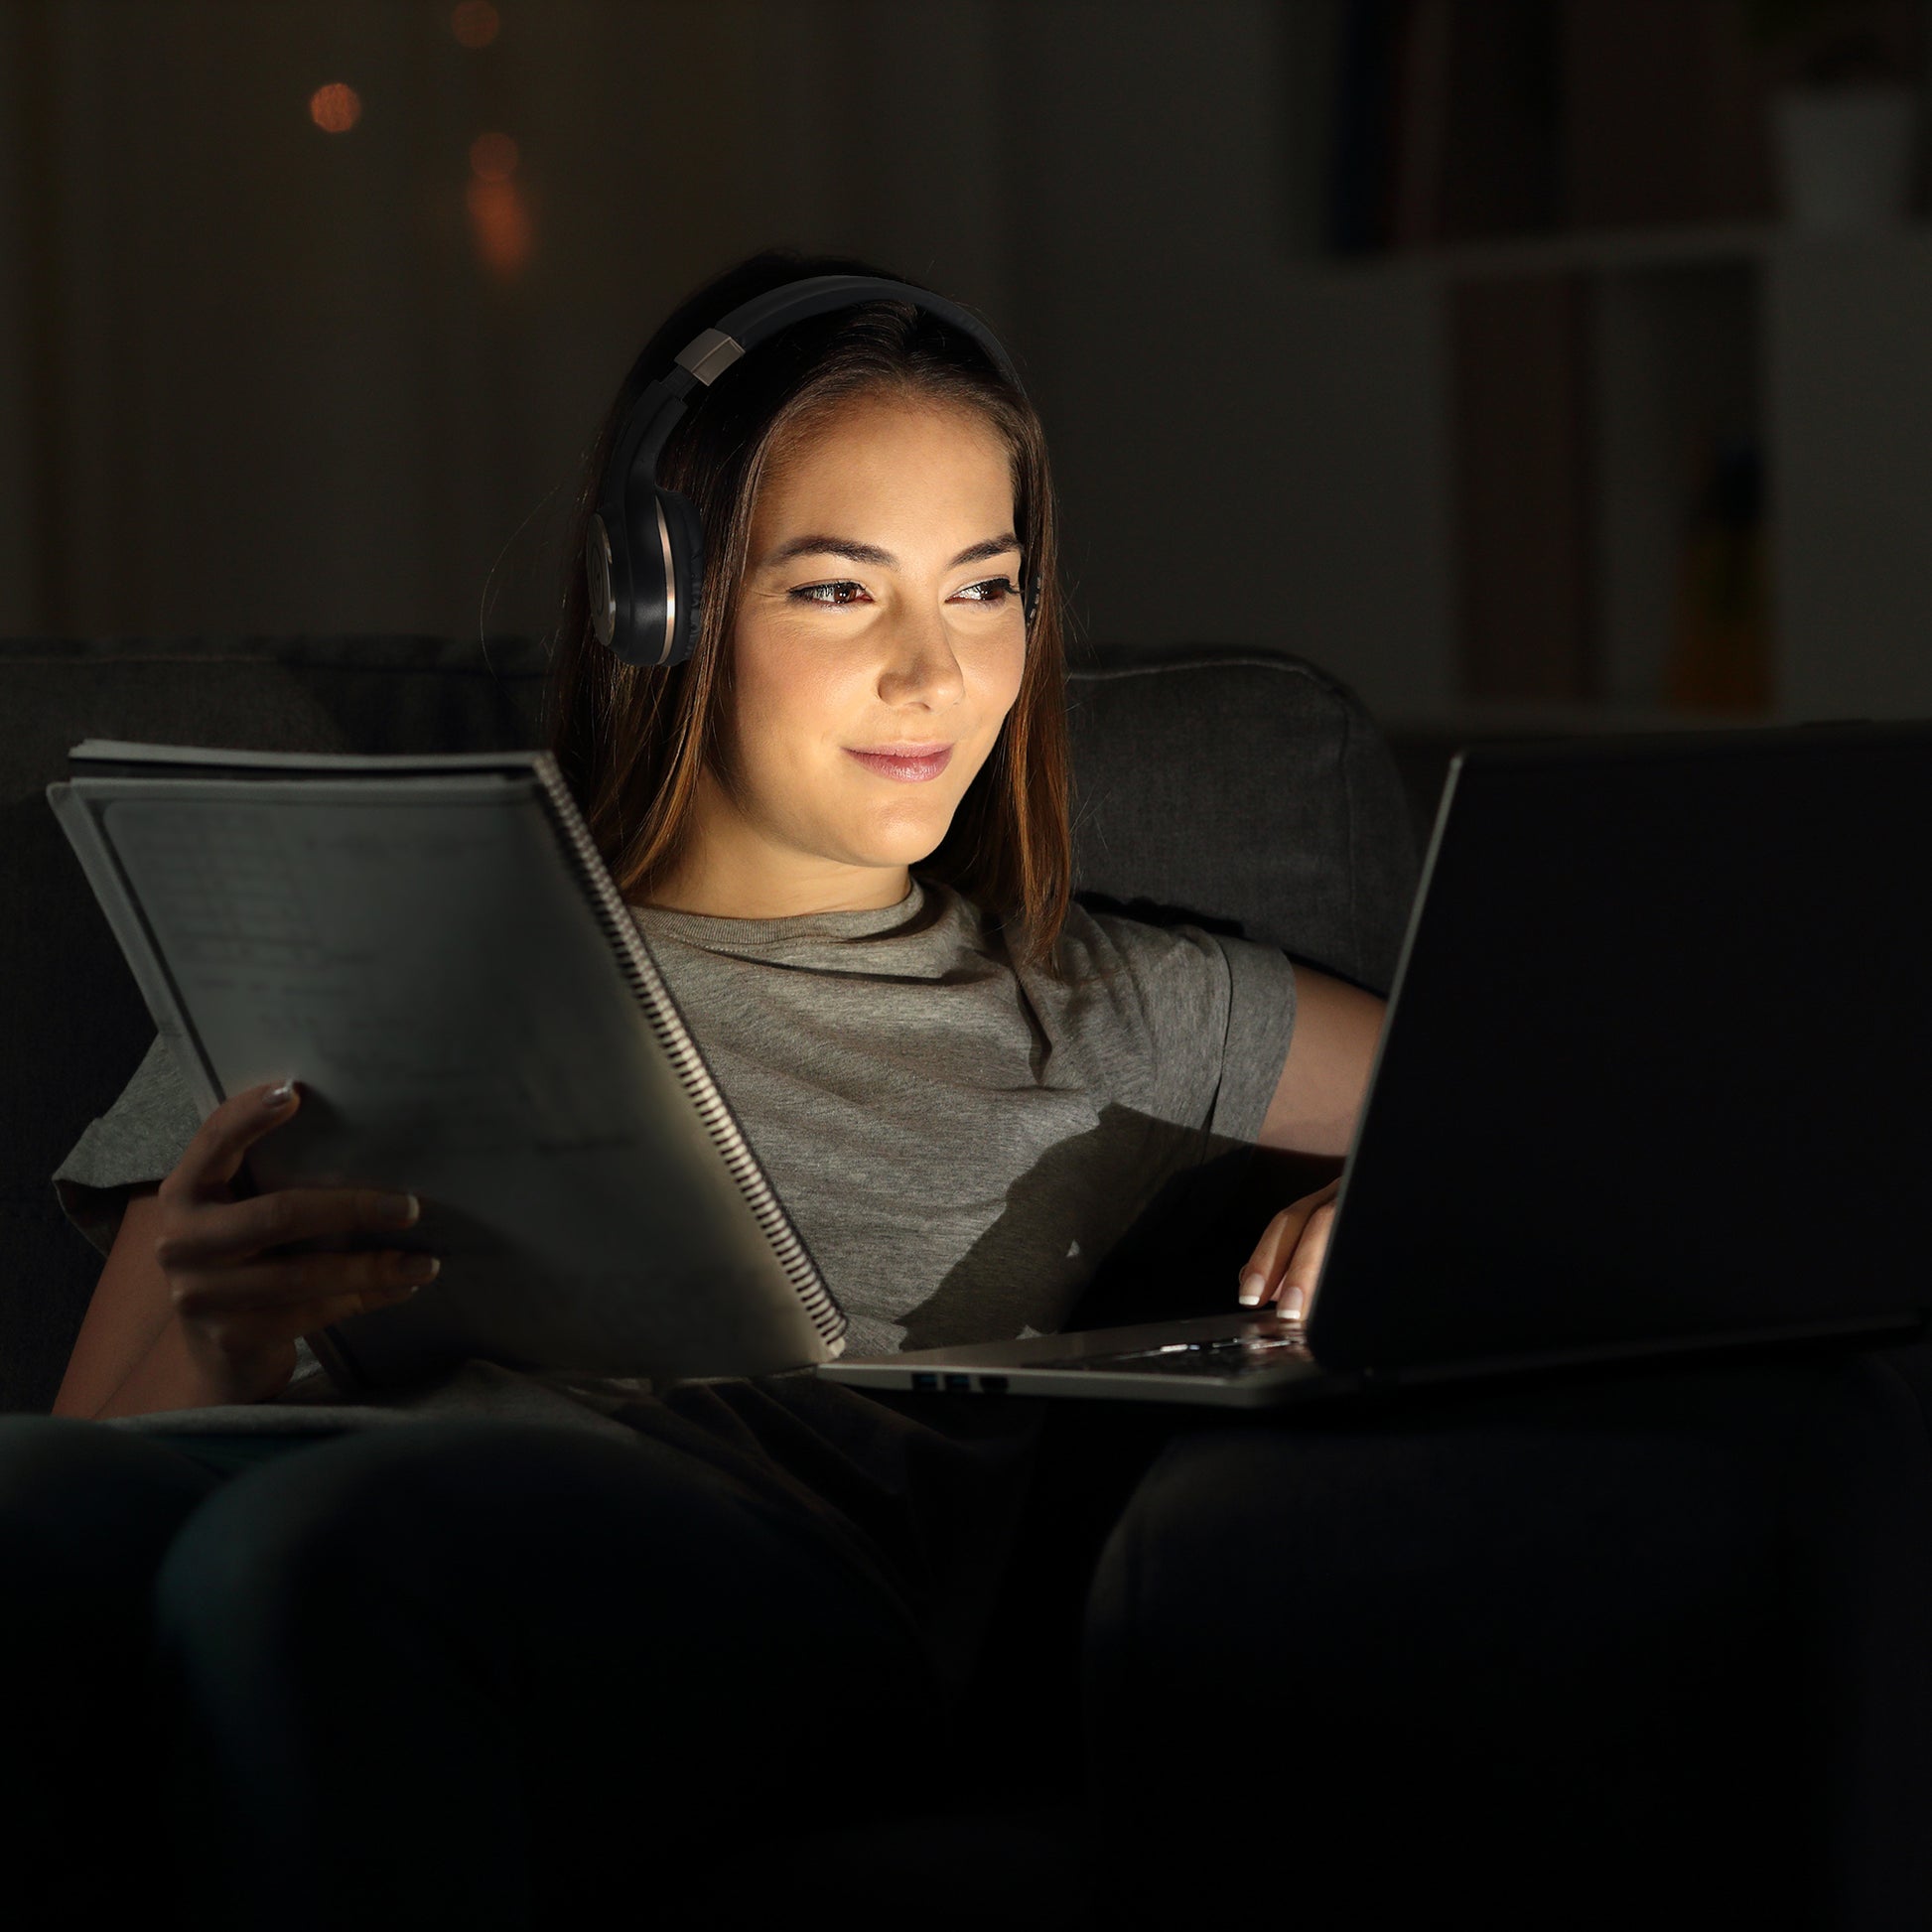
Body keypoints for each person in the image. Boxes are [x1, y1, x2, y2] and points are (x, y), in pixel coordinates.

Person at [0, 247, 1385, 1931]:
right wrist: (219, 1347)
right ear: (661, 605)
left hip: (764, 1575)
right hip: (350, 1492)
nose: (929, 672)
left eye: (981, 585)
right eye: (833, 589)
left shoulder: (1104, 999)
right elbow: (86, 1456)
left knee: (313, 1553)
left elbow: (1542, 1106)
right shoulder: (370, 941)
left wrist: (1399, 1191)